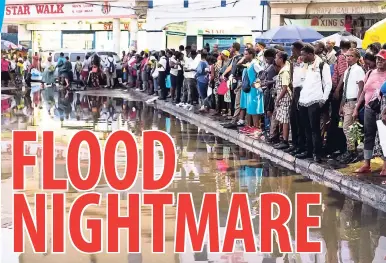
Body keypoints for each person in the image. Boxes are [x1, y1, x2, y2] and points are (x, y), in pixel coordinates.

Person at [297, 44, 332, 162]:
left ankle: (317, 153)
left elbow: (328, 84)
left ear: (311, 54)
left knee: (315, 129)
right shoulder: (304, 65)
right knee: (306, 128)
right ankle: (308, 151)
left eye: (303, 55)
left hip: (315, 100)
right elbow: (301, 82)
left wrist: (323, 99)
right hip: (303, 100)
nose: (301, 57)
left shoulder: (323, 65)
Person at [353, 49, 386, 174]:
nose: (379, 62)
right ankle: (367, 163)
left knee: (383, 137)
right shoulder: (370, 73)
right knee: (368, 135)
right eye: (378, 59)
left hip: (383, 110)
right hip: (369, 108)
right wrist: (356, 108)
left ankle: (385, 165)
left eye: (382, 60)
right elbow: (363, 92)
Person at [338, 48, 365, 164]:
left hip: (354, 102)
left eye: (351, 56)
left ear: (357, 58)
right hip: (346, 102)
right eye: (347, 56)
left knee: (347, 127)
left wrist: (357, 106)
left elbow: (361, 88)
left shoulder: (358, 70)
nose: (348, 58)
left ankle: (351, 151)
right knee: (352, 128)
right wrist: (341, 105)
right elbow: (345, 89)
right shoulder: (347, 71)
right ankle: (352, 151)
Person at [286, 41, 307, 154]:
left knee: (300, 121)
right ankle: (294, 143)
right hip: (294, 91)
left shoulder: (304, 63)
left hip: (302, 91)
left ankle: (301, 145)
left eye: (293, 49)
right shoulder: (293, 61)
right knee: (293, 119)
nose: (291, 51)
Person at [273, 51, 292, 149]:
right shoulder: (283, 69)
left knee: (285, 120)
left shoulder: (285, 71)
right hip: (282, 98)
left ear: (281, 59)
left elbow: (285, 87)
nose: (275, 60)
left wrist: (278, 99)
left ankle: (285, 141)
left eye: (276, 58)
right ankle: (283, 138)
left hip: (285, 98)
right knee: (282, 119)